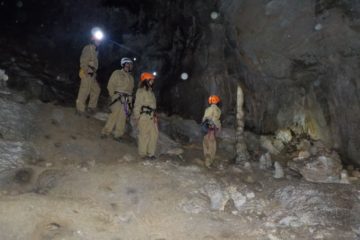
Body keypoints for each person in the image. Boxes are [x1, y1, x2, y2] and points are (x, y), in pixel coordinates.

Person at [101, 57, 134, 141]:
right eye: (127, 64)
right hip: (118, 97)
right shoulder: (117, 73)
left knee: (122, 117)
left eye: (130, 64)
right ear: (123, 64)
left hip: (126, 99)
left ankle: (118, 135)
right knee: (113, 115)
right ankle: (106, 132)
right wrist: (113, 96)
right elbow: (110, 85)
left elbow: (131, 90)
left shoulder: (131, 78)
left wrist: (130, 101)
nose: (129, 66)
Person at [133, 72, 158, 160]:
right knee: (143, 135)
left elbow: (153, 105)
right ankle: (143, 154)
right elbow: (137, 104)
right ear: (146, 80)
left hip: (151, 116)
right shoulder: (141, 91)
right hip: (144, 115)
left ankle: (151, 153)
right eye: (151, 80)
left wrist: (155, 116)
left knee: (154, 134)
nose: (153, 82)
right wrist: (136, 117)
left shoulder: (151, 92)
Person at [76, 36, 101, 116]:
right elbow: (83, 60)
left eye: (99, 41)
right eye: (97, 40)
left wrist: (94, 75)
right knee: (84, 91)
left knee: (96, 89)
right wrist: (86, 71)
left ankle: (91, 107)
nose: (99, 42)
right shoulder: (88, 48)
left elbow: (94, 65)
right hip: (87, 73)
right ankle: (79, 109)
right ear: (93, 40)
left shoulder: (95, 51)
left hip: (92, 75)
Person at [202, 95, 222, 168]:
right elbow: (216, 121)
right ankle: (209, 161)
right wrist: (218, 128)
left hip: (207, 128)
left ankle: (207, 159)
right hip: (213, 129)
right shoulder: (218, 110)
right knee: (212, 145)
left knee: (206, 142)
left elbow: (204, 119)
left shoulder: (208, 109)